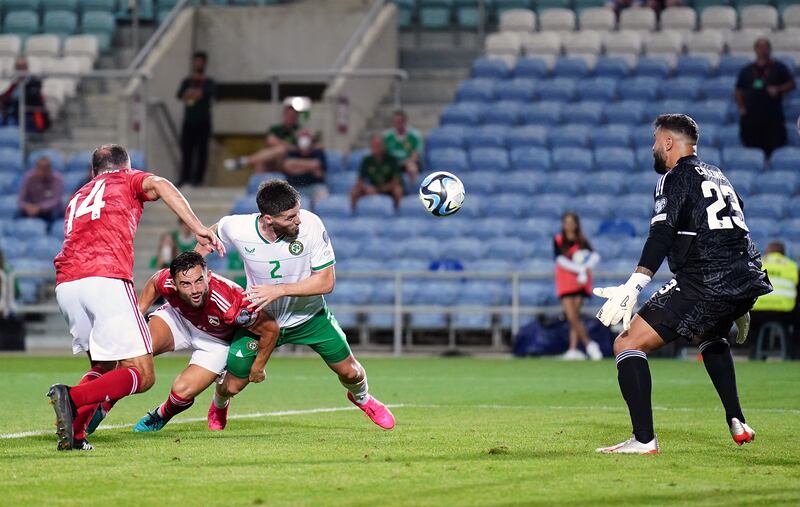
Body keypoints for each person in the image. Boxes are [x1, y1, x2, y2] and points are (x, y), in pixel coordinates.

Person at [593, 114, 772, 454]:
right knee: (710, 333)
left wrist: (636, 281)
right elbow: (739, 227)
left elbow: (662, 232)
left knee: (627, 343)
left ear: (669, 143)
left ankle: (643, 440)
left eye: (655, 141)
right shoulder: (719, 175)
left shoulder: (674, 177)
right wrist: (738, 296)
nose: (653, 147)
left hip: (704, 279)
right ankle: (737, 419)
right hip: (743, 275)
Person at [47, 144, 224, 451]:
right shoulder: (126, 178)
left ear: (93, 172)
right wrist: (197, 227)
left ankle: (76, 435)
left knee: (103, 366)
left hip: (66, 285)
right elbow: (159, 184)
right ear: (125, 166)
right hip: (104, 277)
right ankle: (71, 398)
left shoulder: (78, 196)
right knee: (142, 374)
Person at [199, 180, 395, 430]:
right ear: (268, 219)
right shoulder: (238, 227)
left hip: (309, 316)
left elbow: (326, 282)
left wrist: (279, 290)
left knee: (351, 373)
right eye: (290, 217)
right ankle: (219, 404)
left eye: (298, 212)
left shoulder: (311, 225)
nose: (298, 220)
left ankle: (362, 398)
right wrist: (196, 265)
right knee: (233, 384)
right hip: (260, 319)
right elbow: (210, 235)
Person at [86, 252, 278, 433]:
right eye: (185, 284)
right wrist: (138, 315)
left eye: (199, 281)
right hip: (178, 318)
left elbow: (271, 329)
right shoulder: (166, 281)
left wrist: (258, 367)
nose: (194, 290)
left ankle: (161, 415)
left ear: (208, 276)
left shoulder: (232, 303)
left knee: (182, 391)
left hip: (216, 341)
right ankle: (102, 408)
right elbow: (155, 281)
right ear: (175, 284)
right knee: (137, 351)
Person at [735, 38, 796, 158]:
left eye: (765, 47)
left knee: (774, 148)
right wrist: (741, 108)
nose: (762, 50)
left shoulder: (778, 67)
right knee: (752, 148)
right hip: (751, 117)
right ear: (755, 49)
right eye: (759, 47)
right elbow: (738, 91)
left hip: (773, 117)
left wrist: (778, 89)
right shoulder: (747, 70)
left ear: (769, 49)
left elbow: (792, 84)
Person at [553, 212, 602, 361]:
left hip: (580, 282)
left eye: (571, 222)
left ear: (576, 224)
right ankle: (589, 344)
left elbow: (594, 257)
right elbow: (560, 260)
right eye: (566, 222)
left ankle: (573, 349)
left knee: (575, 315)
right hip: (565, 280)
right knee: (571, 316)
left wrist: (584, 269)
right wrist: (579, 269)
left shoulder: (582, 240)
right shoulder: (558, 240)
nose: (569, 225)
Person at [749, 241, 798, 359]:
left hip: (758, 311)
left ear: (767, 250)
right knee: (793, 324)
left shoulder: (756, 263)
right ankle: (792, 353)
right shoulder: (791, 265)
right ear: (783, 253)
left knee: (752, 324)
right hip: (784, 313)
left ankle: (755, 352)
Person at [177, 51, 215, 187]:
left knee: (202, 152)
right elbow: (180, 94)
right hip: (189, 121)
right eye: (196, 61)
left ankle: (198, 180)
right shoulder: (188, 81)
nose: (198, 64)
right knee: (186, 150)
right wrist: (191, 93)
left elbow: (208, 94)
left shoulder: (208, 82)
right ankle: (184, 177)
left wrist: (196, 93)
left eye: (200, 61)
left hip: (204, 122)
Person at [224, 105, 299, 173]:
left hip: (288, 159)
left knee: (281, 150)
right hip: (272, 158)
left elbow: (298, 149)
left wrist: (283, 146)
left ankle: (244, 161)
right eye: (288, 115)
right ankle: (259, 187)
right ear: (284, 115)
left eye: (292, 116)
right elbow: (270, 141)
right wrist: (287, 145)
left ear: (296, 117)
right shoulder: (276, 128)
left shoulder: (298, 130)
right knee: (260, 162)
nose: (290, 117)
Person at [350, 134, 404, 209]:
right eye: (374, 145)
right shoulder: (367, 160)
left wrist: (380, 189)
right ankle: (353, 213)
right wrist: (366, 188)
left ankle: (397, 213)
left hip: (387, 189)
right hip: (371, 188)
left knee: (398, 190)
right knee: (354, 191)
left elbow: (396, 181)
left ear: (383, 146)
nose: (376, 147)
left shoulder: (392, 159)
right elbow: (360, 180)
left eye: (378, 145)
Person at [0, 56, 49, 131]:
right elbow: (5, 96)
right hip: (12, 115)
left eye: (22, 67)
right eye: (17, 68)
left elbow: (31, 99)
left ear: (27, 68)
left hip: (28, 117)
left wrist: (10, 102)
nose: (20, 70)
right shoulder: (15, 85)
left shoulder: (33, 83)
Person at [282, 128, 328, 206]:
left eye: (306, 136)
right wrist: (311, 168)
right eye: (301, 136)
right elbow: (287, 166)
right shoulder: (292, 152)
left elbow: (318, 168)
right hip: (294, 187)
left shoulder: (318, 152)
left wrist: (295, 165)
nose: (304, 139)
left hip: (314, 186)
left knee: (323, 196)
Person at [17, 156, 64, 226]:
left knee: (56, 214)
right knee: (18, 215)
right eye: (40, 168)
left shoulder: (57, 179)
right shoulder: (29, 178)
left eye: (45, 169)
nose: (42, 172)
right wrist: (27, 206)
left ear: (50, 169)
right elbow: (21, 200)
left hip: (49, 211)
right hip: (31, 209)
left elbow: (56, 201)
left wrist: (40, 207)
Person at [383, 109, 421, 186]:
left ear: (404, 121)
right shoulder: (387, 136)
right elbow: (384, 153)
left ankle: (412, 190)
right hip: (393, 164)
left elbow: (415, 155)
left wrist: (406, 162)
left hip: (407, 163)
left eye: (399, 122)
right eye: (395, 122)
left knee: (412, 168)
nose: (397, 124)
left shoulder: (414, 136)